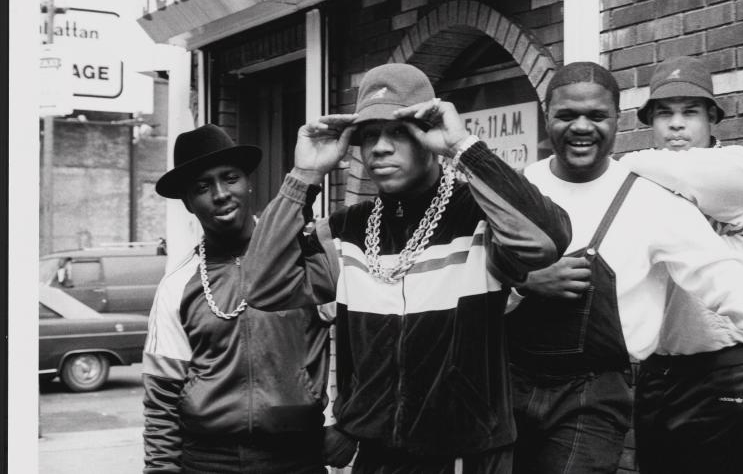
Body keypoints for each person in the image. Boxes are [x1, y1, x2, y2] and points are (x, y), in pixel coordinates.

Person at [504, 61, 743, 474]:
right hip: (511, 382)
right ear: (546, 117)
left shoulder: (651, 196)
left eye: (597, 116)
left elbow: (718, 272)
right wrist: (524, 282)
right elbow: (477, 280)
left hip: (597, 393)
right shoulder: (519, 189)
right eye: (567, 115)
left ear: (617, 121)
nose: (581, 127)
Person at [247, 62, 572, 473]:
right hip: (377, 457)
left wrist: (463, 148)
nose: (380, 147)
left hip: (466, 456)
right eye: (368, 136)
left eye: (398, 131)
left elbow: (547, 241)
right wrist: (303, 175)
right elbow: (261, 285)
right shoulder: (346, 230)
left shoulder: (478, 216)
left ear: (426, 133)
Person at [620, 55, 743, 474]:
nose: (676, 125)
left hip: (730, 367)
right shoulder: (647, 180)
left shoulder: (739, 167)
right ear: (651, 122)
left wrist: (614, 166)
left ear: (712, 118)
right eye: (665, 114)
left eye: (690, 113)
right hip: (662, 372)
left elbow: (628, 168)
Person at [142, 124, 335, 474]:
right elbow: (162, 398)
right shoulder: (177, 284)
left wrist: (346, 420)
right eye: (202, 187)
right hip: (208, 461)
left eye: (229, 178)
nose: (220, 194)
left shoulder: (302, 257)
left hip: (297, 457)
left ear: (248, 183)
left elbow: (358, 339)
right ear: (188, 202)